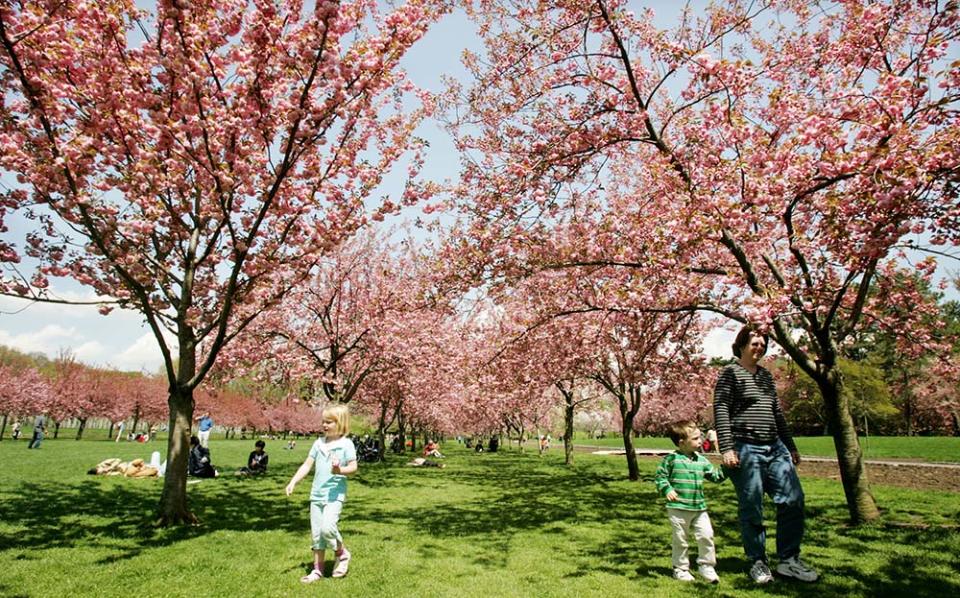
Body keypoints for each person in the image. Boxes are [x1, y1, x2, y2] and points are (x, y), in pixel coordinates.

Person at [714, 325, 818, 584]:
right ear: (741, 346)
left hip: (775, 446)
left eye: (762, 344)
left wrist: (790, 445)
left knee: (793, 499)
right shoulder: (730, 373)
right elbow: (721, 408)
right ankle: (757, 562)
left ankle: (789, 560)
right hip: (745, 447)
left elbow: (777, 413)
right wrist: (726, 447)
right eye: (754, 343)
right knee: (752, 506)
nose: (759, 347)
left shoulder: (765, 376)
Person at [286, 404, 358, 582]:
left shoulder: (346, 444)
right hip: (316, 494)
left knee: (328, 528)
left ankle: (342, 553)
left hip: (334, 494)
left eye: (329, 422)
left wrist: (339, 470)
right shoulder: (318, 443)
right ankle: (317, 570)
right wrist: (293, 481)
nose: (324, 425)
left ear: (340, 423)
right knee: (317, 533)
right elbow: (307, 465)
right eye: (323, 422)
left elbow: (353, 467)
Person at [654, 420, 725, 584]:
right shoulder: (672, 459)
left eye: (700, 437)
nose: (700, 441)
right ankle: (680, 569)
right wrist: (667, 489)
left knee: (706, 535)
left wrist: (727, 468)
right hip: (678, 508)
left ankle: (706, 566)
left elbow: (715, 477)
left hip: (699, 507)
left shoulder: (701, 460)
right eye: (695, 439)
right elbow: (660, 476)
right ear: (682, 442)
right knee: (681, 539)